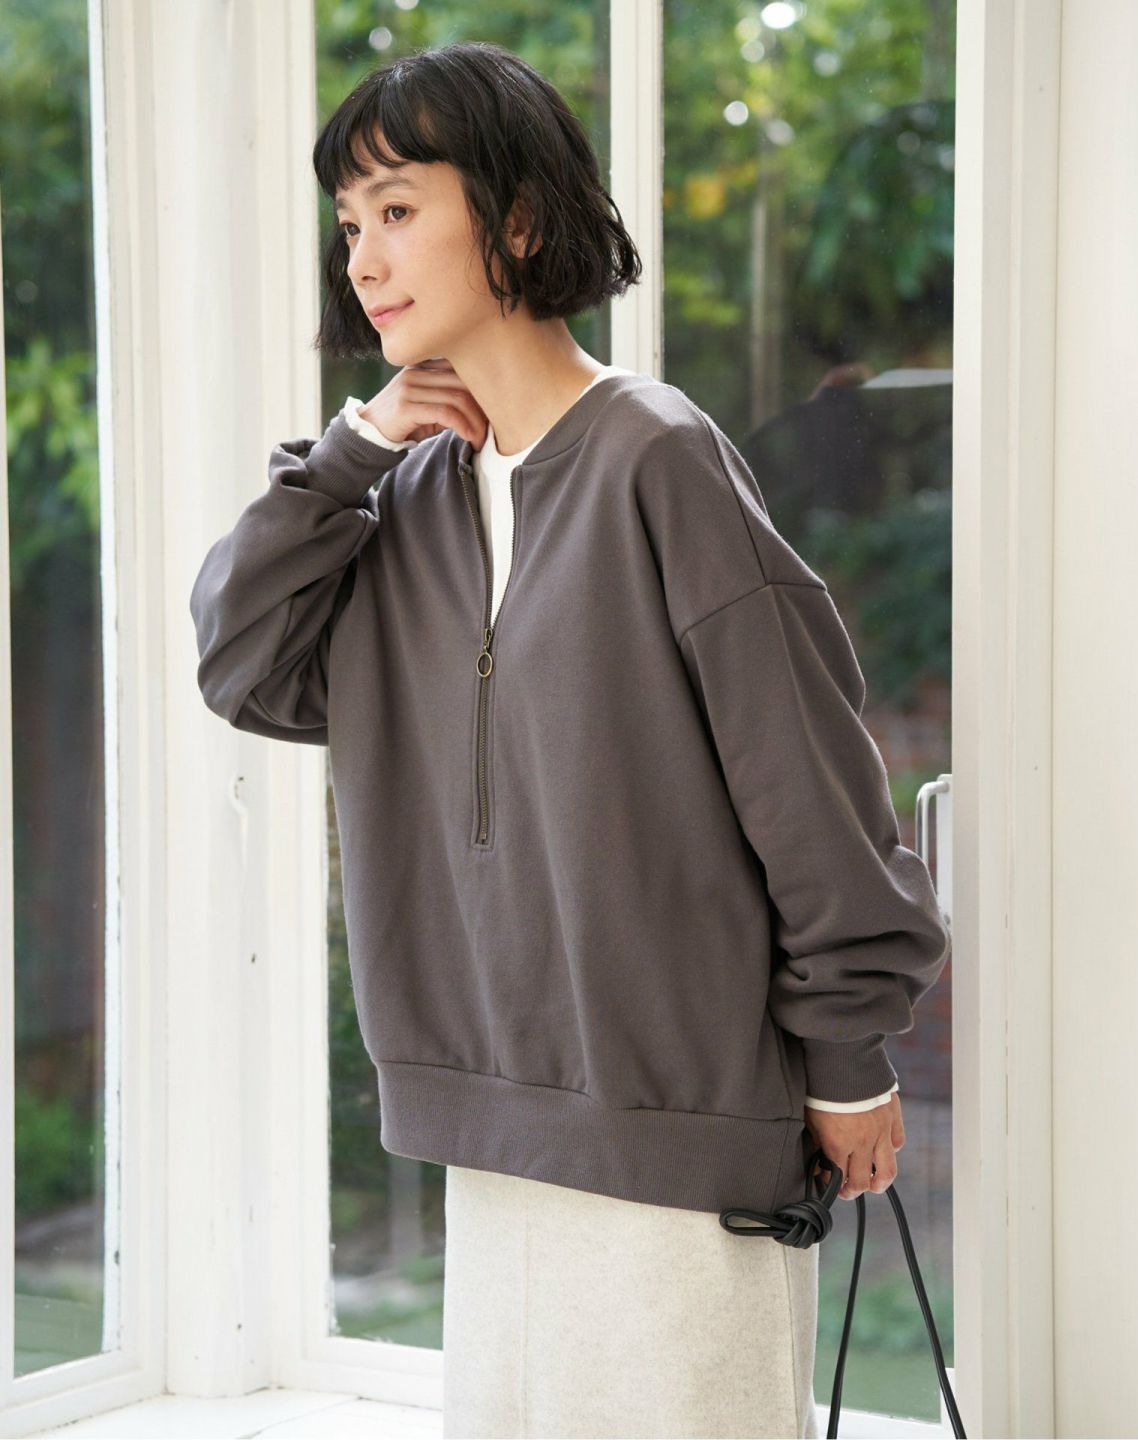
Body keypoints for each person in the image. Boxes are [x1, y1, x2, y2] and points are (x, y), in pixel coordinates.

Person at [189, 40, 950, 1440]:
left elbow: (804, 781)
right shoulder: (403, 495)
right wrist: (350, 453)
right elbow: (242, 662)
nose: (363, 258)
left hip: (678, 1138)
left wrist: (847, 1058)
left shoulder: (656, 453)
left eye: (398, 208)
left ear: (521, 220)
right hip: (489, 1134)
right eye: (348, 224)